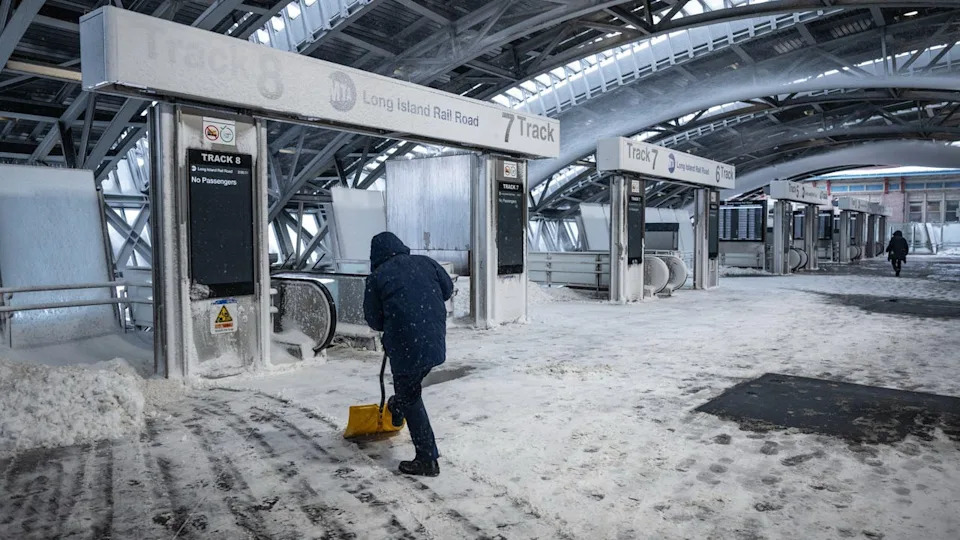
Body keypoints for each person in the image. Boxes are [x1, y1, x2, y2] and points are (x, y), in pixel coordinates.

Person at [363, 232, 454, 477]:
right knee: (410, 388)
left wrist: (396, 314)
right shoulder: (426, 263)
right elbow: (448, 290)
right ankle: (397, 408)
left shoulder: (377, 277)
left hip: (405, 345)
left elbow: (374, 319)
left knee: (410, 394)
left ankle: (427, 459)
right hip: (434, 339)